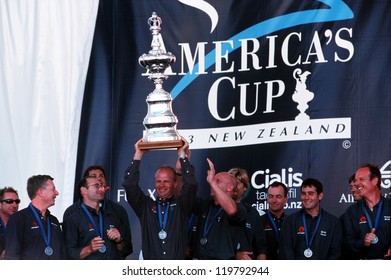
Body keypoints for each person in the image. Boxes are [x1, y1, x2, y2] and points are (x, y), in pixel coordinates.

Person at [122, 137, 197, 259]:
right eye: (158, 181)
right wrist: (138, 156)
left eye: (166, 181)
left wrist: (182, 156)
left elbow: (191, 184)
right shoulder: (145, 207)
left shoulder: (182, 206)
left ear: (175, 184)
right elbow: (129, 185)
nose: (161, 185)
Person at [62, 165, 133, 259]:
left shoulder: (118, 211)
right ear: (84, 190)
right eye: (93, 177)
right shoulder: (72, 213)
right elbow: (68, 253)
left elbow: (127, 250)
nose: (99, 180)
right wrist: (89, 249)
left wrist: (119, 241)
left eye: (101, 176)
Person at [190, 159, 247, 260]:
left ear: (230, 187)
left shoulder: (240, 208)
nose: (212, 184)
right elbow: (184, 196)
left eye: (218, 181)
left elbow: (232, 210)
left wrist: (212, 182)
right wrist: (181, 167)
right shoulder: (205, 204)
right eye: (213, 181)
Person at [279, 178, 342, 259]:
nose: (306, 197)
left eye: (311, 193)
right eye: (303, 193)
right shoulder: (290, 221)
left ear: (320, 196)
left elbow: (335, 254)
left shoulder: (333, 223)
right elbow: (286, 252)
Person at [5, 175, 65, 259]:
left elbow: (62, 253)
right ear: (40, 192)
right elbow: (11, 255)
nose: (57, 193)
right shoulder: (18, 219)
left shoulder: (54, 220)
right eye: (53, 189)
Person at [342, 163, 391, 259]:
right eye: (356, 180)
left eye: (361, 179)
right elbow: (347, 243)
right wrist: (362, 243)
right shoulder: (351, 212)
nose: (356, 184)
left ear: (374, 181)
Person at [228, 167, 267, 260]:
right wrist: (235, 255)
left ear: (245, 187)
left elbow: (261, 247)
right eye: (231, 183)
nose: (234, 186)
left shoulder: (253, 213)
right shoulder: (217, 210)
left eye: (237, 183)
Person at [259, 181, 288, 260]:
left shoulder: (292, 222)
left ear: (286, 199)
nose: (274, 200)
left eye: (278, 196)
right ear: (267, 199)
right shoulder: (258, 222)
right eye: (271, 196)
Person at [0, 187, 20, 259]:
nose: (15, 205)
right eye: (9, 201)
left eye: (17, 201)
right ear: (0, 205)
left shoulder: (22, 224)